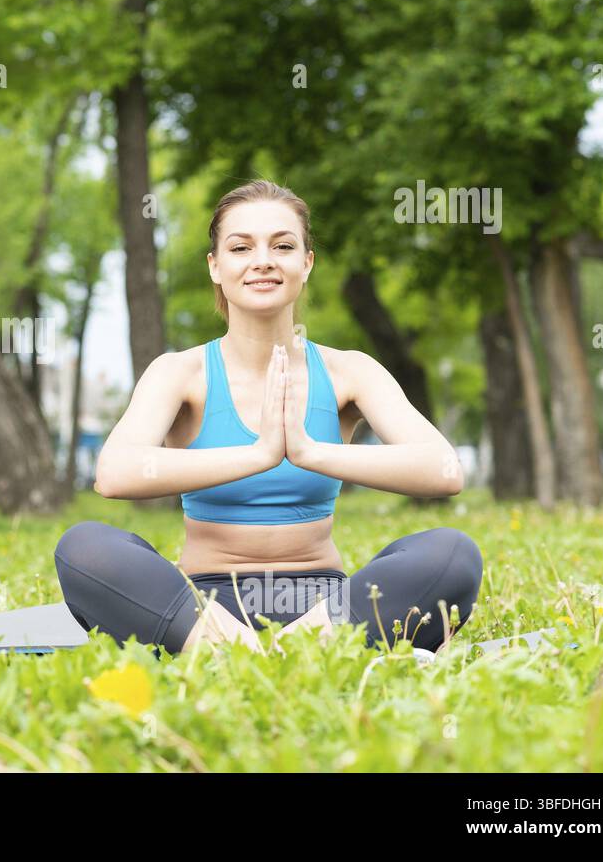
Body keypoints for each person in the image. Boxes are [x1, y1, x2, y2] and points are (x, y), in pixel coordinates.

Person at [54, 180, 481, 658]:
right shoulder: (180, 373)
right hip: (201, 607)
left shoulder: (350, 371)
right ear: (216, 267)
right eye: (241, 247)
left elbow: (444, 470)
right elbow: (114, 474)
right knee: (84, 546)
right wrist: (258, 454)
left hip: (324, 607)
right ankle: (260, 653)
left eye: (283, 246)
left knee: (452, 554)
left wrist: (311, 452)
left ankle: (272, 653)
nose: (263, 260)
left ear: (307, 263)